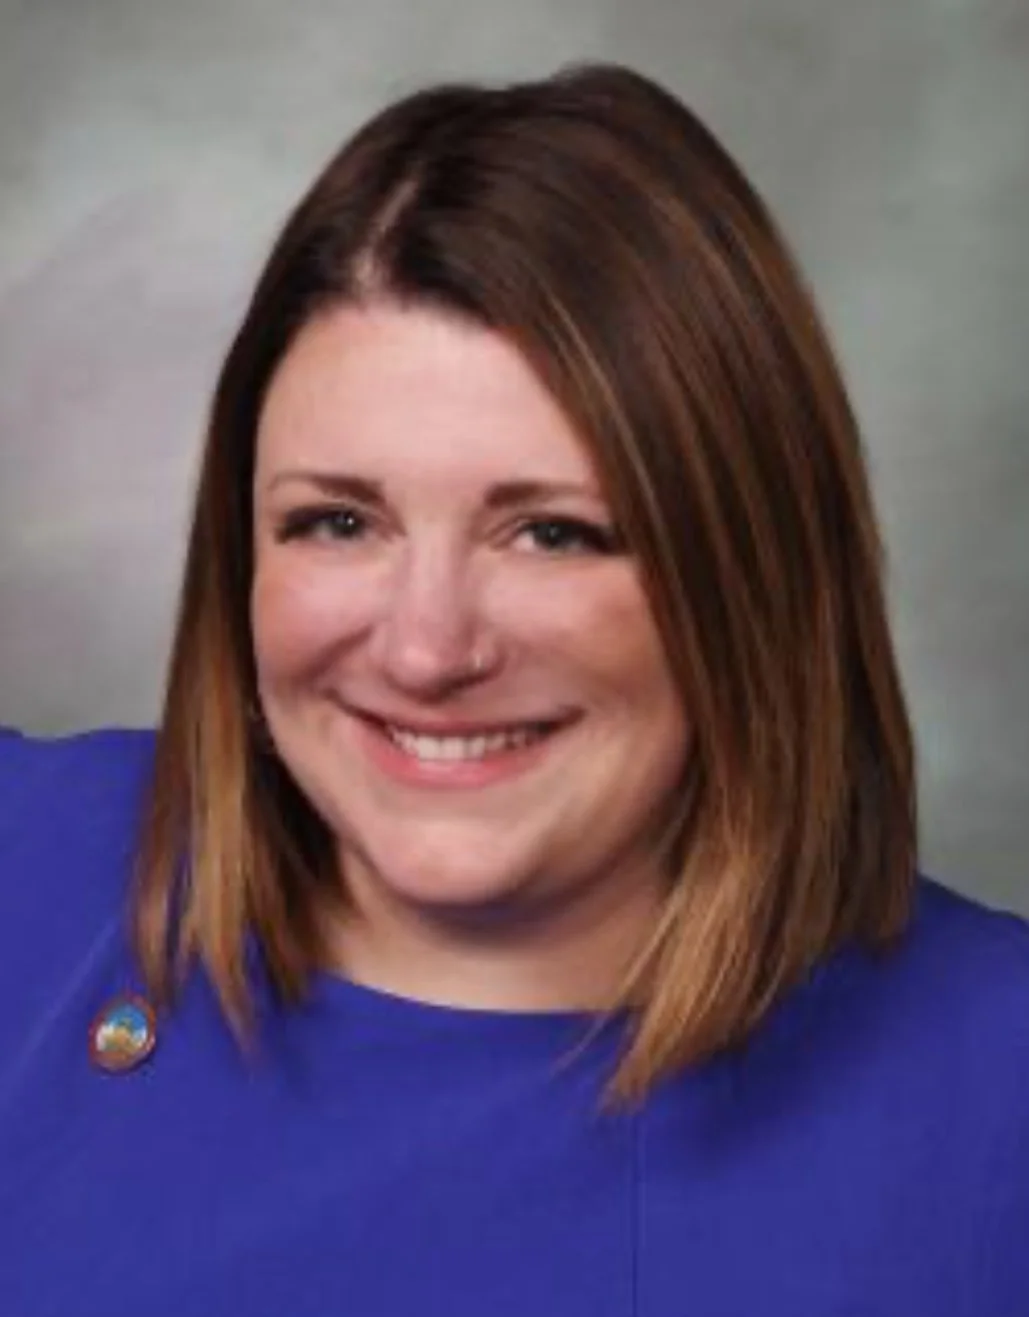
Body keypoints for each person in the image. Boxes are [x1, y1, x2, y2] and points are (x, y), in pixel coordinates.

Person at [1, 62, 1026, 1316]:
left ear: (752, 570)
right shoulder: (32, 862)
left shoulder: (992, 1095)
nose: (428, 651)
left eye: (555, 534)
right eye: (336, 521)